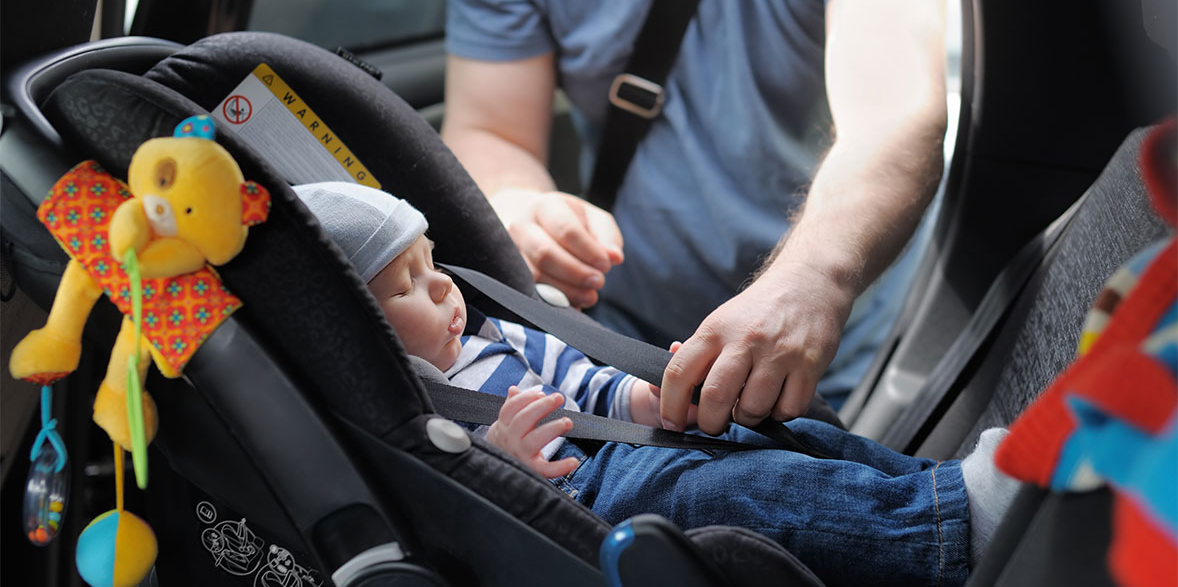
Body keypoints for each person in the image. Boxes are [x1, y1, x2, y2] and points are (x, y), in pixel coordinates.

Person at [294, 182, 1017, 586]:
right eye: (406, 288)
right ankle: (948, 530)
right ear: (364, 326)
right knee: (737, 492)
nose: (444, 290)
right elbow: (465, 494)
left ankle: (940, 486)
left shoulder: (492, 333)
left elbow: (578, 379)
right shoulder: (413, 402)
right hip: (584, 493)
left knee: (793, 437)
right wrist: (508, 456)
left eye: (433, 265)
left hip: (626, 441)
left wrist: (648, 398)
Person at [440, 0, 948, 435]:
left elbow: (896, 115)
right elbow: (490, 130)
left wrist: (814, 278)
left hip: (838, 347)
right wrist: (517, 203)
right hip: (624, 341)